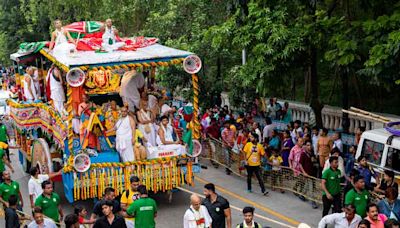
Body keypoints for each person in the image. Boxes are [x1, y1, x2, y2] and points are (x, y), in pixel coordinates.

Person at [299, 140, 318, 208]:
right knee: (309, 187)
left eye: (310, 145)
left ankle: (303, 195)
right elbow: (300, 164)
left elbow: (315, 162)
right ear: (305, 146)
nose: (309, 147)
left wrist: (315, 161)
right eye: (307, 145)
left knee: (311, 187)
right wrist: (304, 172)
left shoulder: (312, 153)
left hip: (313, 173)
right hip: (306, 173)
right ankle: (313, 202)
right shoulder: (303, 154)